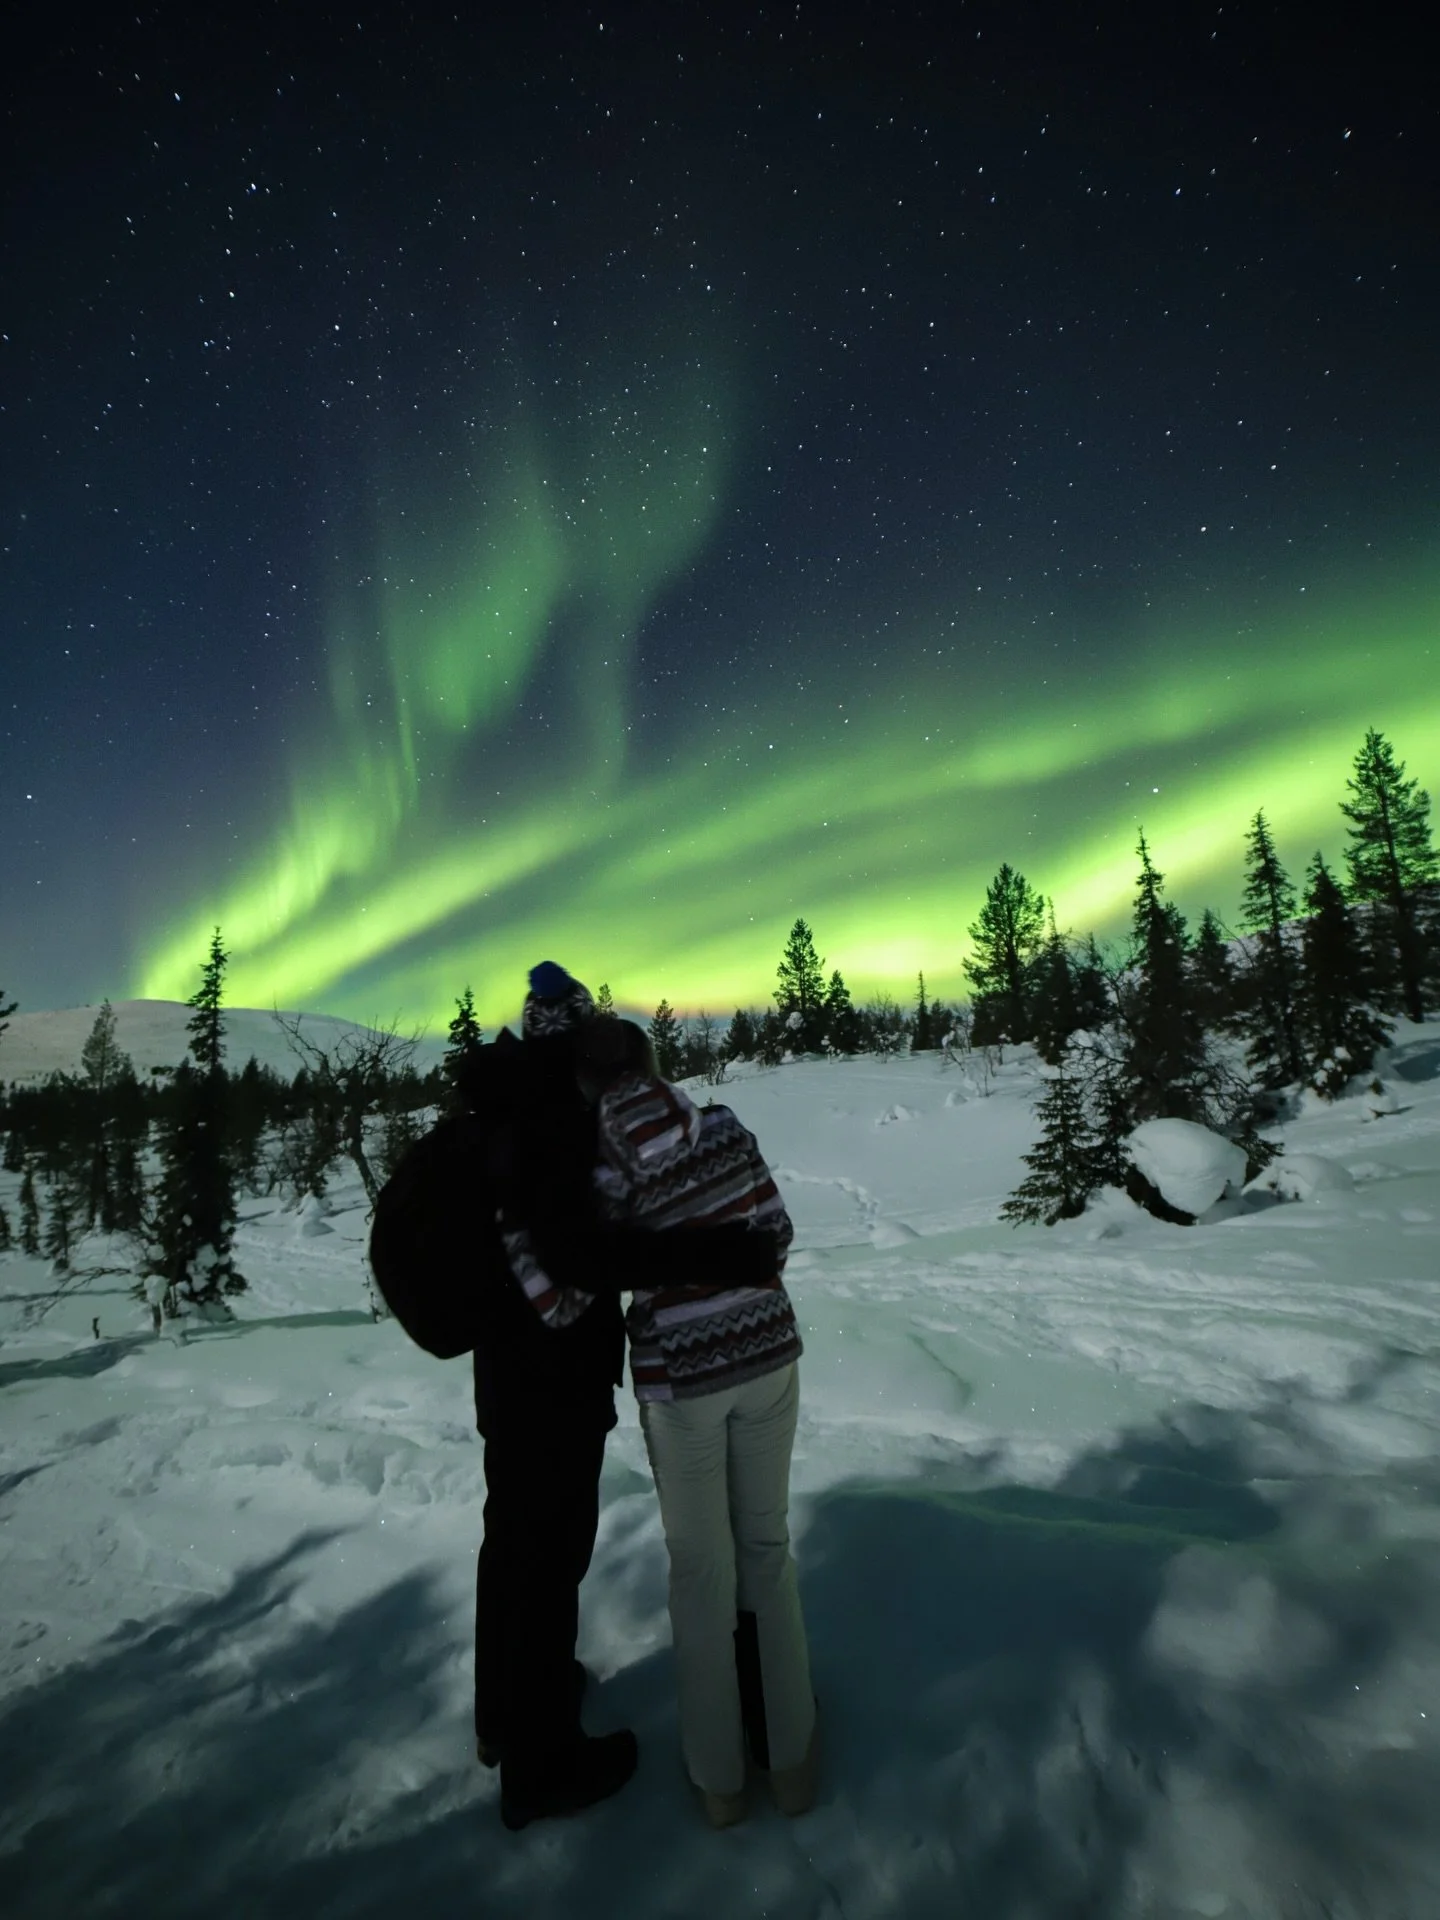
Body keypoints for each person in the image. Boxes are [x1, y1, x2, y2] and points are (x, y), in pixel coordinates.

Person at [458, 964, 776, 1832]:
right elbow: (581, 1262)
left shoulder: (501, 1103)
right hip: (552, 1365)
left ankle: (507, 1713)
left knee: (514, 1536)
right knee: (551, 1547)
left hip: (504, 1359)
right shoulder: (560, 1121)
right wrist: (718, 1259)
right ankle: (540, 1762)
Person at [575, 1018, 818, 1830]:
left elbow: (595, 1276)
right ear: (652, 1065)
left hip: (680, 1383)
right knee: (767, 1554)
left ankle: (719, 1784)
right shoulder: (721, 1126)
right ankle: (792, 1765)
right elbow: (776, 1233)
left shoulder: (602, 1166)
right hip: (768, 1357)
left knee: (701, 1574)